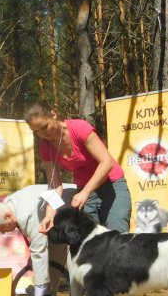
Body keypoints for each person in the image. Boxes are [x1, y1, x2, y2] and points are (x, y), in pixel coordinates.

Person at [24, 101, 132, 235]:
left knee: (118, 239)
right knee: (89, 242)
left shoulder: (79, 128)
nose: (42, 134)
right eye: (36, 131)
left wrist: (85, 192)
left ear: (53, 115)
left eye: (44, 127)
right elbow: (55, 186)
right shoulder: (46, 148)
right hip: (85, 193)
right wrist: (49, 214)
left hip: (112, 185)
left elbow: (106, 162)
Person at [0, 184, 80, 296]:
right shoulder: (10, 204)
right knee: (50, 261)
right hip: (63, 220)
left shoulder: (26, 215)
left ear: (8, 216)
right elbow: (39, 247)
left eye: (1, 228)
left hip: (81, 206)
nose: (3, 232)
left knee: (77, 264)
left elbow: (40, 253)